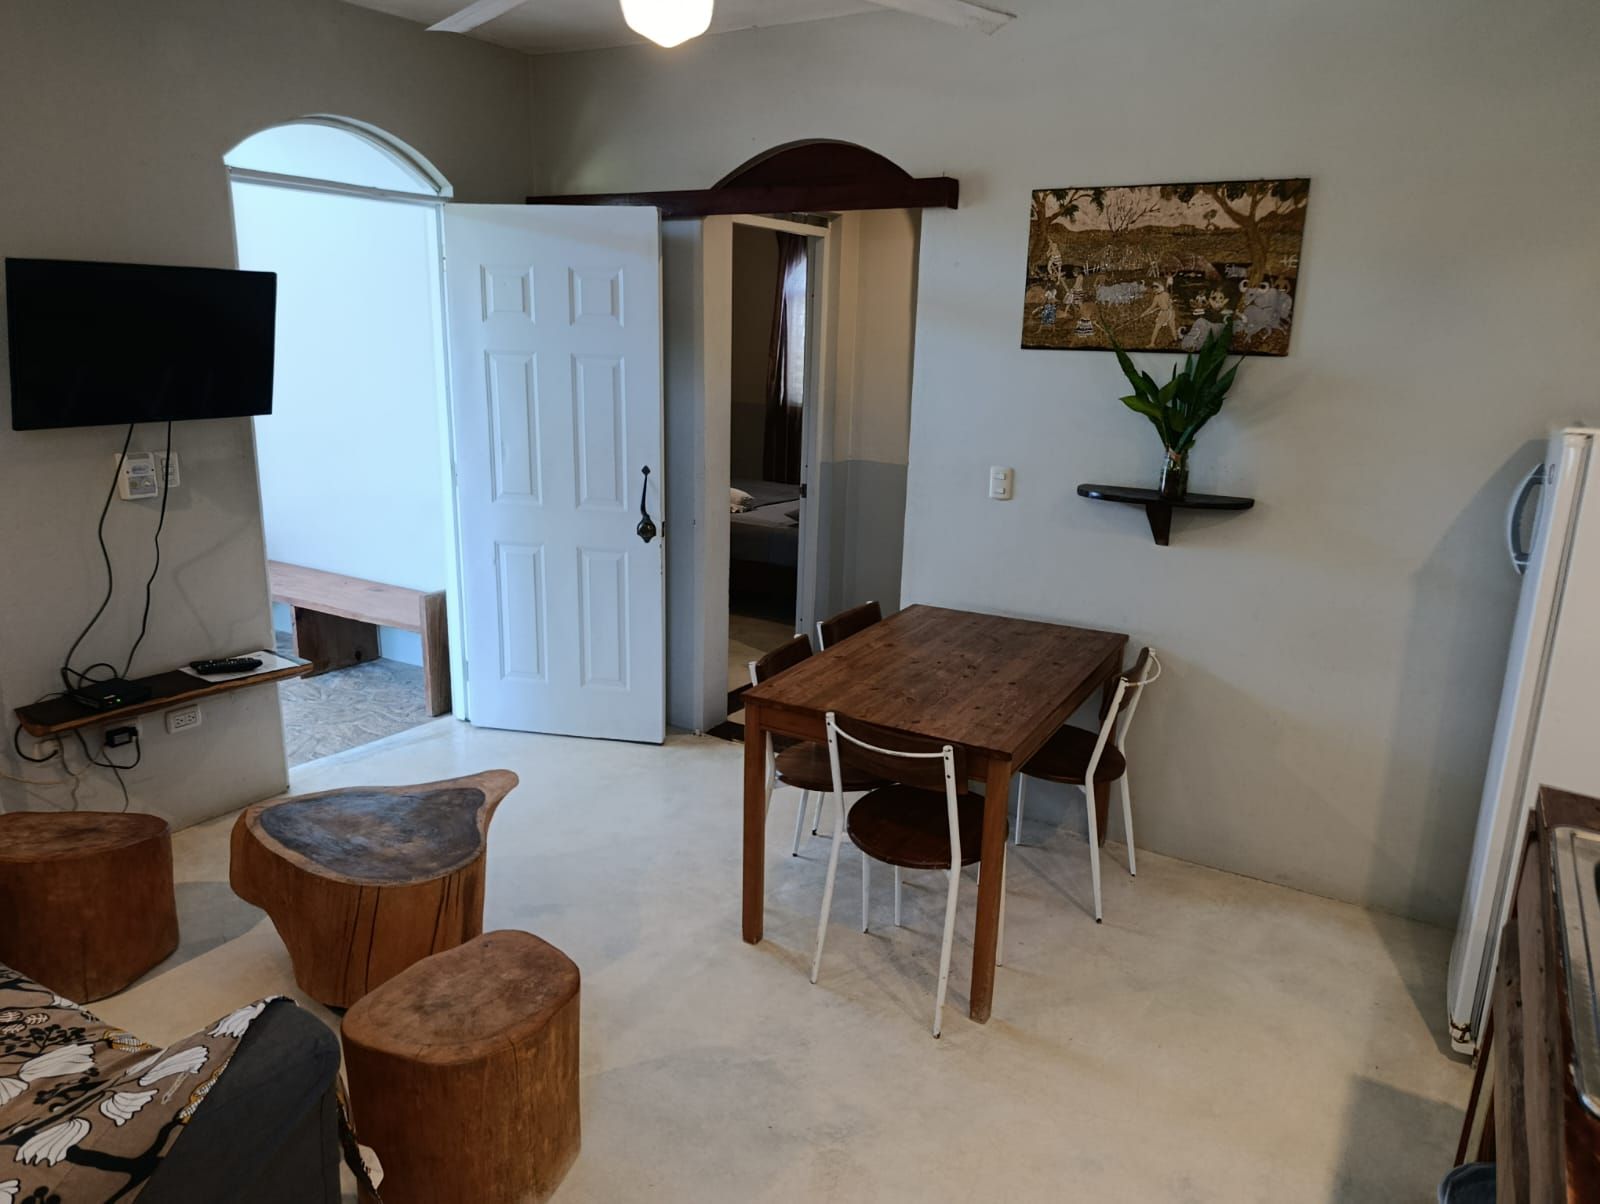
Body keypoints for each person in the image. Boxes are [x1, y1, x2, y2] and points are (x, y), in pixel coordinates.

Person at [1141, 276, 1179, 346]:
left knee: (1172, 327)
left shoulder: (1166, 294)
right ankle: (1152, 343)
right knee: (1157, 327)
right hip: (1163, 313)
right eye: (1154, 289)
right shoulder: (1156, 297)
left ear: (1160, 287)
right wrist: (1144, 313)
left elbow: (1169, 304)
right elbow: (1151, 307)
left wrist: (1169, 309)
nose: (1155, 290)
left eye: (1156, 288)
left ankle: (1176, 340)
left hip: (1170, 312)